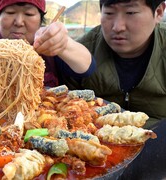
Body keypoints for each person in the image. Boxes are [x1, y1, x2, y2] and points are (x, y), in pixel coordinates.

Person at [60, 0, 166, 178]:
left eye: (130, 13)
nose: (117, 26)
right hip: (96, 151)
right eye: (109, 13)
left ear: (159, 12)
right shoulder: (80, 52)